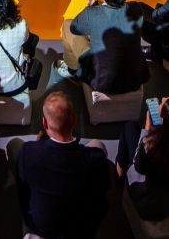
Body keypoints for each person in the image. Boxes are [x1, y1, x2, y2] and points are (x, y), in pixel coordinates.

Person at [15, 91, 111, 239]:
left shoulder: (28, 152)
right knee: (98, 144)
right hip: (83, 230)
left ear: (45, 123)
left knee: (14, 145)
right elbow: (102, 199)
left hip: (42, 229)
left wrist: (38, 146)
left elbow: (24, 194)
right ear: (74, 120)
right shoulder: (96, 159)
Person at [65, 0, 150, 95]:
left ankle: (72, 71)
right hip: (136, 78)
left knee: (67, 25)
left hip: (103, 83)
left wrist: (91, 8)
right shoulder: (137, 8)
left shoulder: (91, 13)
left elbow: (75, 28)